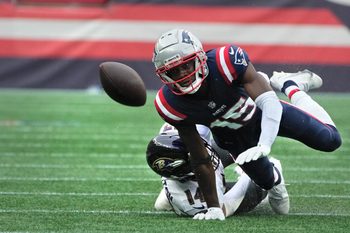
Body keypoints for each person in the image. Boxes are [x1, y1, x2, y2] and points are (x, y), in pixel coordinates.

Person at [152, 29, 342, 220]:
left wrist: (265, 143)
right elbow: (200, 158)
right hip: (234, 140)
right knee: (268, 185)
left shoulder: (224, 61)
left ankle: (291, 86)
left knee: (330, 140)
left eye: (186, 65)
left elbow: (269, 103)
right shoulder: (169, 103)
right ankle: (275, 177)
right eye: (173, 71)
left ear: (199, 56)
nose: (183, 74)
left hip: (261, 113)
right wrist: (214, 208)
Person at [146, 123, 271, 217]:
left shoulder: (172, 163)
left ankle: (166, 200)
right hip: (217, 201)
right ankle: (276, 180)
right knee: (261, 182)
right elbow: (224, 208)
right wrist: (249, 174)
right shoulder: (192, 203)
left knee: (238, 144)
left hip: (187, 177)